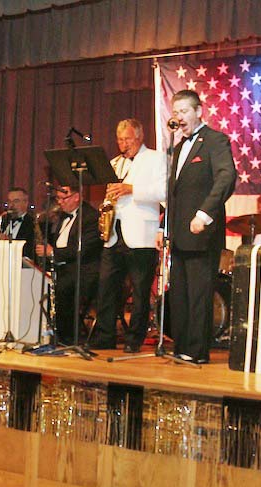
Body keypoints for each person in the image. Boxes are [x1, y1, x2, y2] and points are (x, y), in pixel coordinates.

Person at [159, 90, 237, 364]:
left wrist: (204, 214)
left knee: (199, 292)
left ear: (199, 111)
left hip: (201, 232)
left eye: (184, 111)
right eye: (176, 112)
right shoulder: (178, 147)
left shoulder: (215, 141)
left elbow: (227, 177)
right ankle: (182, 346)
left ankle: (197, 351)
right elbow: (174, 194)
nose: (179, 117)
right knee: (179, 292)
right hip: (179, 233)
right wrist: (163, 227)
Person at [88, 118, 165, 353]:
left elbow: (165, 191)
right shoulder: (114, 163)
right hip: (114, 233)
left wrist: (132, 189)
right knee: (107, 287)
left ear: (140, 136)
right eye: (120, 140)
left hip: (141, 233)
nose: (123, 144)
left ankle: (134, 339)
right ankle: (105, 336)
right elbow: (111, 195)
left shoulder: (156, 158)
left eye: (128, 139)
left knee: (141, 291)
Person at [36, 183, 102, 345]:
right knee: (39, 282)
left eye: (63, 198)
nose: (60, 202)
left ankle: (65, 338)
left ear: (77, 197)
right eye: (58, 198)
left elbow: (82, 250)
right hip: (65, 268)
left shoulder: (91, 217)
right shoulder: (62, 217)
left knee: (63, 286)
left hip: (84, 271)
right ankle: (46, 333)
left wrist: (52, 252)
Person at [0, 186, 36, 261]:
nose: (11, 205)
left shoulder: (33, 224)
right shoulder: (4, 220)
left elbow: (30, 251)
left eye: (16, 201)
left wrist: (8, 242)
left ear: (26, 203)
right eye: (9, 201)